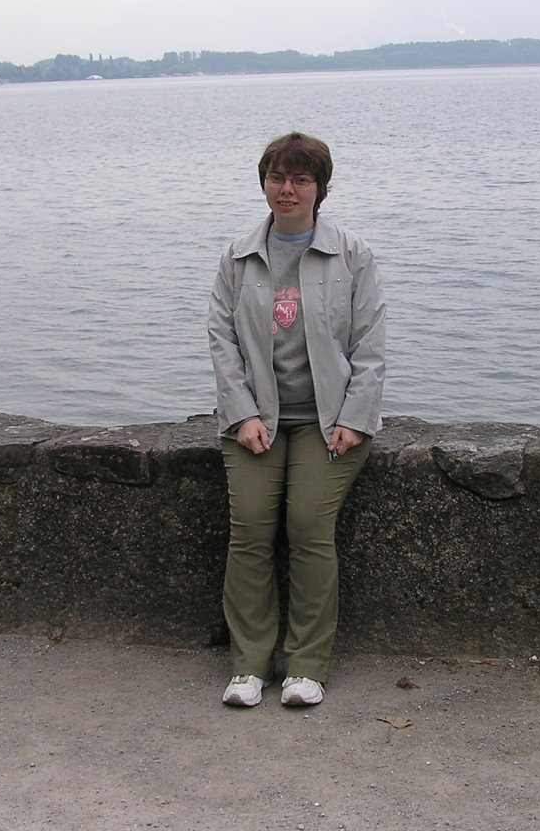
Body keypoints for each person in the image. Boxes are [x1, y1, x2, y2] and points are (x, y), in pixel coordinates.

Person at [208, 131, 386, 708]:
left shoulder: (351, 255)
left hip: (329, 420)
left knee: (308, 526)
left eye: (300, 179)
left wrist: (354, 417)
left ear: (319, 188)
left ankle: (307, 665)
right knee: (250, 529)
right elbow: (222, 342)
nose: (287, 189)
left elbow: (370, 345)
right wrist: (241, 415)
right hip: (256, 419)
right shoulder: (238, 256)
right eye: (277, 178)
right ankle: (249, 664)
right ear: (264, 182)